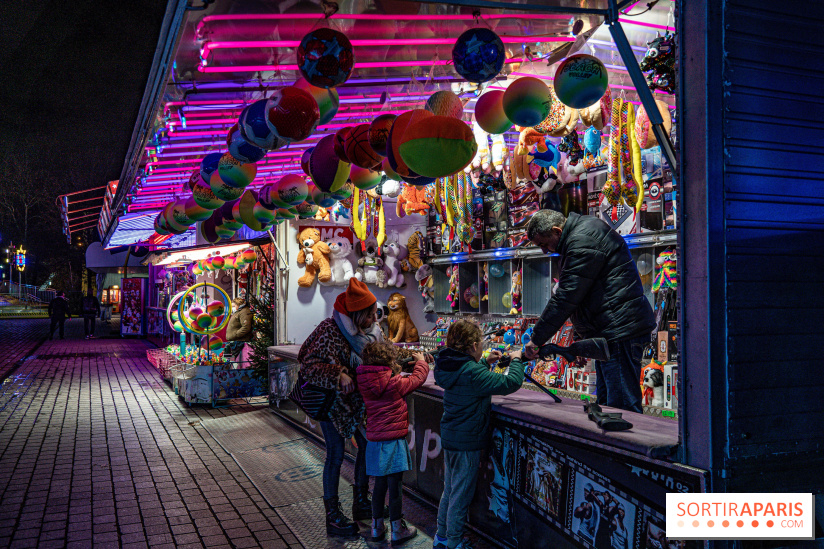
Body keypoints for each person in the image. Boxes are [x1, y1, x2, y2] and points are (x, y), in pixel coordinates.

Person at [523, 210, 656, 413]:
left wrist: (536, 340)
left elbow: (566, 298)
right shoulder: (581, 235)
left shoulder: (582, 240)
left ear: (557, 231)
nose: (544, 251)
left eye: (544, 244)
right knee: (606, 405)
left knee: (620, 410)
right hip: (610, 333)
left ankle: (622, 445)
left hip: (619, 332)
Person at [297, 278, 384, 537]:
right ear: (356, 315)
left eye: (373, 315)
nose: (373, 321)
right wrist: (337, 374)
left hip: (357, 405)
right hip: (333, 405)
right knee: (335, 455)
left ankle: (361, 502)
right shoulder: (329, 330)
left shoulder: (369, 334)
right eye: (368, 316)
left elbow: (383, 353)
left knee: (367, 446)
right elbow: (307, 365)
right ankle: (333, 516)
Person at [433, 320, 525, 549]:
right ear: (473, 345)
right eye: (481, 345)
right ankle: (454, 542)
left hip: (452, 437)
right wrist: (516, 360)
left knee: (450, 490)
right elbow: (510, 383)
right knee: (460, 495)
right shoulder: (472, 373)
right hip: (467, 441)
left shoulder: (450, 366)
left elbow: (469, 375)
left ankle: (441, 536)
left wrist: (485, 361)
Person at [357, 341, 428, 545]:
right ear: (389, 360)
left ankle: (377, 527)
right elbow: (418, 379)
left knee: (379, 485)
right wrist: (421, 362)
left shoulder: (364, 379)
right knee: (395, 487)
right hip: (394, 441)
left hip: (375, 441)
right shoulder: (394, 383)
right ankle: (398, 529)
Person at [226, 297, 253, 365]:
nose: (233, 308)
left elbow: (246, 327)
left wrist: (236, 334)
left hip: (239, 342)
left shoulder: (244, 312)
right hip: (235, 342)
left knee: (236, 362)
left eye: (234, 306)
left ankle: (233, 373)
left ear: (238, 304)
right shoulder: (238, 312)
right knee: (230, 360)